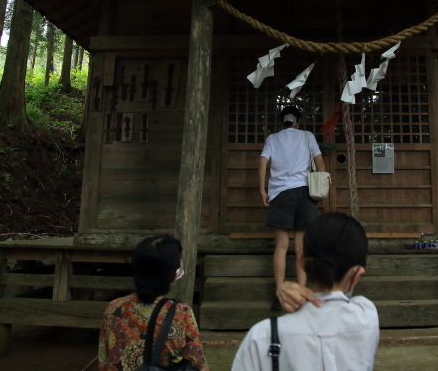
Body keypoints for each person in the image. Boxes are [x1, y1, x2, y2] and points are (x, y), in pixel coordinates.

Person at [231, 213, 379, 371]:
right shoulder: (367, 318)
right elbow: (339, 298)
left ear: (301, 261)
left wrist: (282, 288)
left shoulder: (262, 336)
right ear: (357, 275)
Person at [98, 235, 209, 371]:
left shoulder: (114, 308)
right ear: (173, 274)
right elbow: (198, 363)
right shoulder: (181, 313)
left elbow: (104, 361)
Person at [259, 105, 326, 311]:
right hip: (305, 192)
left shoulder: (273, 138)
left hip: (280, 194)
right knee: (301, 248)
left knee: (281, 246)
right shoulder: (307, 136)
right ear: (298, 122)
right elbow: (320, 163)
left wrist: (262, 190)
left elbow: (262, 163)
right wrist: (321, 190)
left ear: (282, 122)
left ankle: (280, 294)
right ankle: (302, 293)